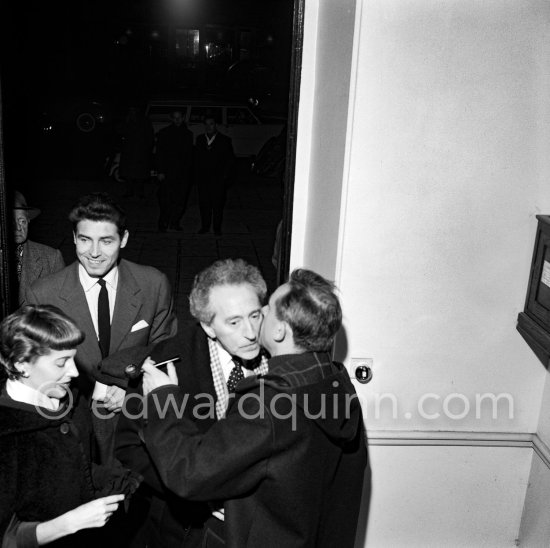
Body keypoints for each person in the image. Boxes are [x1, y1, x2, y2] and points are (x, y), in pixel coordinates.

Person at [138, 268, 368, 548]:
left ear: (280, 330)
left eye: (266, 310)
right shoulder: (337, 381)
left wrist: (163, 400)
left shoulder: (268, 404)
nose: (256, 320)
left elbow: (189, 474)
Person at [99, 258, 269, 547]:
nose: (251, 333)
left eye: (255, 316)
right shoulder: (165, 363)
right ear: (208, 326)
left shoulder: (280, 355)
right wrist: (189, 492)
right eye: (234, 322)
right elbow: (128, 446)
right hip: (186, 528)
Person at [24, 192, 177, 465]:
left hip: (134, 420)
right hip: (71, 420)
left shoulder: (153, 284)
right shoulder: (43, 294)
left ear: (124, 239)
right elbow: (34, 372)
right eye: (85, 240)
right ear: (73, 238)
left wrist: (134, 389)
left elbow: (167, 349)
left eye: (106, 241)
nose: (94, 253)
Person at [0, 304, 139, 548]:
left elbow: (75, 467)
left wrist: (122, 478)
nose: (74, 372)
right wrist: (70, 522)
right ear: (22, 364)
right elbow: (7, 537)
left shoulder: (70, 397)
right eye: (61, 362)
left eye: (73, 359)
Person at [12, 190, 65, 305]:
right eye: (11, 222)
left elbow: (61, 309)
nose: (18, 228)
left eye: (22, 221)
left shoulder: (51, 258)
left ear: (29, 220)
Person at [194, 115, 235, 236]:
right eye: (206, 124)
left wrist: (225, 177)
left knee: (218, 205)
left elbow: (230, 161)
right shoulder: (200, 139)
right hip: (204, 179)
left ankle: (217, 227)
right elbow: (196, 159)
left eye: (211, 124)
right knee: (204, 204)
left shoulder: (225, 140)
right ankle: (205, 226)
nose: (208, 127)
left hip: (218, 179)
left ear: (215, 125)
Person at [156, 110, 194, 232]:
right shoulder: (164, 133)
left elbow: (189, 156)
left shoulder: (188, 134)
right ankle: (163, 222)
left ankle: (174, 222)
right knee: (165, 199)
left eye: (179, 117)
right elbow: (160, 154)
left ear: (183, 118)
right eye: (175, 117)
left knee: (180, 200)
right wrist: (160, 171)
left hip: (182, 173)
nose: (177, 120)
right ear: (171, 118)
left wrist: (189, 173)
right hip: (168, 173)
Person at [119, 107, 154, 199]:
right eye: (131, 110)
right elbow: (121, 133)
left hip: (140, 152)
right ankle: (129, 191)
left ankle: (140, 192)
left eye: (134, 110)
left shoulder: (145, 121)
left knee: (140, 174)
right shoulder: (127, 120)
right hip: (129, 152)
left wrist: (147, 149)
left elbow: (150, 136)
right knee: (129, 174)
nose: (132, 112)